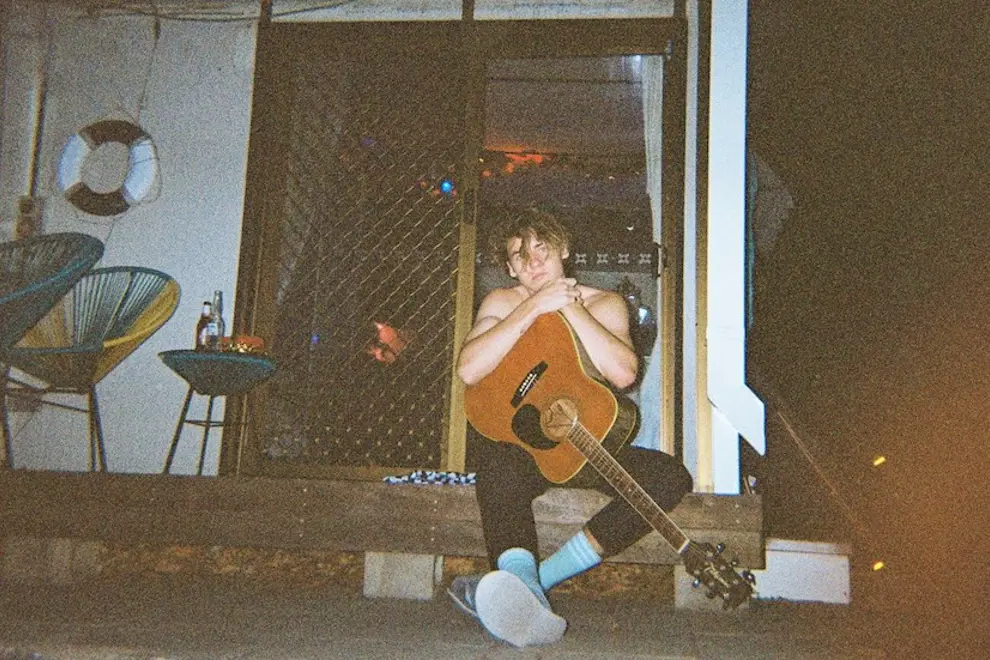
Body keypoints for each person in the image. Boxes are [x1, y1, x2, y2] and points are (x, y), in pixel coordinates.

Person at [449, 208, 694, 647]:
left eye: (542, 249)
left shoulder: (605, 303)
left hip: (587, 448)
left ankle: (534, 584)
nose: (533, 263)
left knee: (669, 477)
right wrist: (532, 307)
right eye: (520, 256)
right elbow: (469, 369)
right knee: (497, 460)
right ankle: (522, 581)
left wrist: (567, 307)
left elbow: (623, 374)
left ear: (563, 250)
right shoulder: (502, 302)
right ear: (510, 268)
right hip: (528, 452)